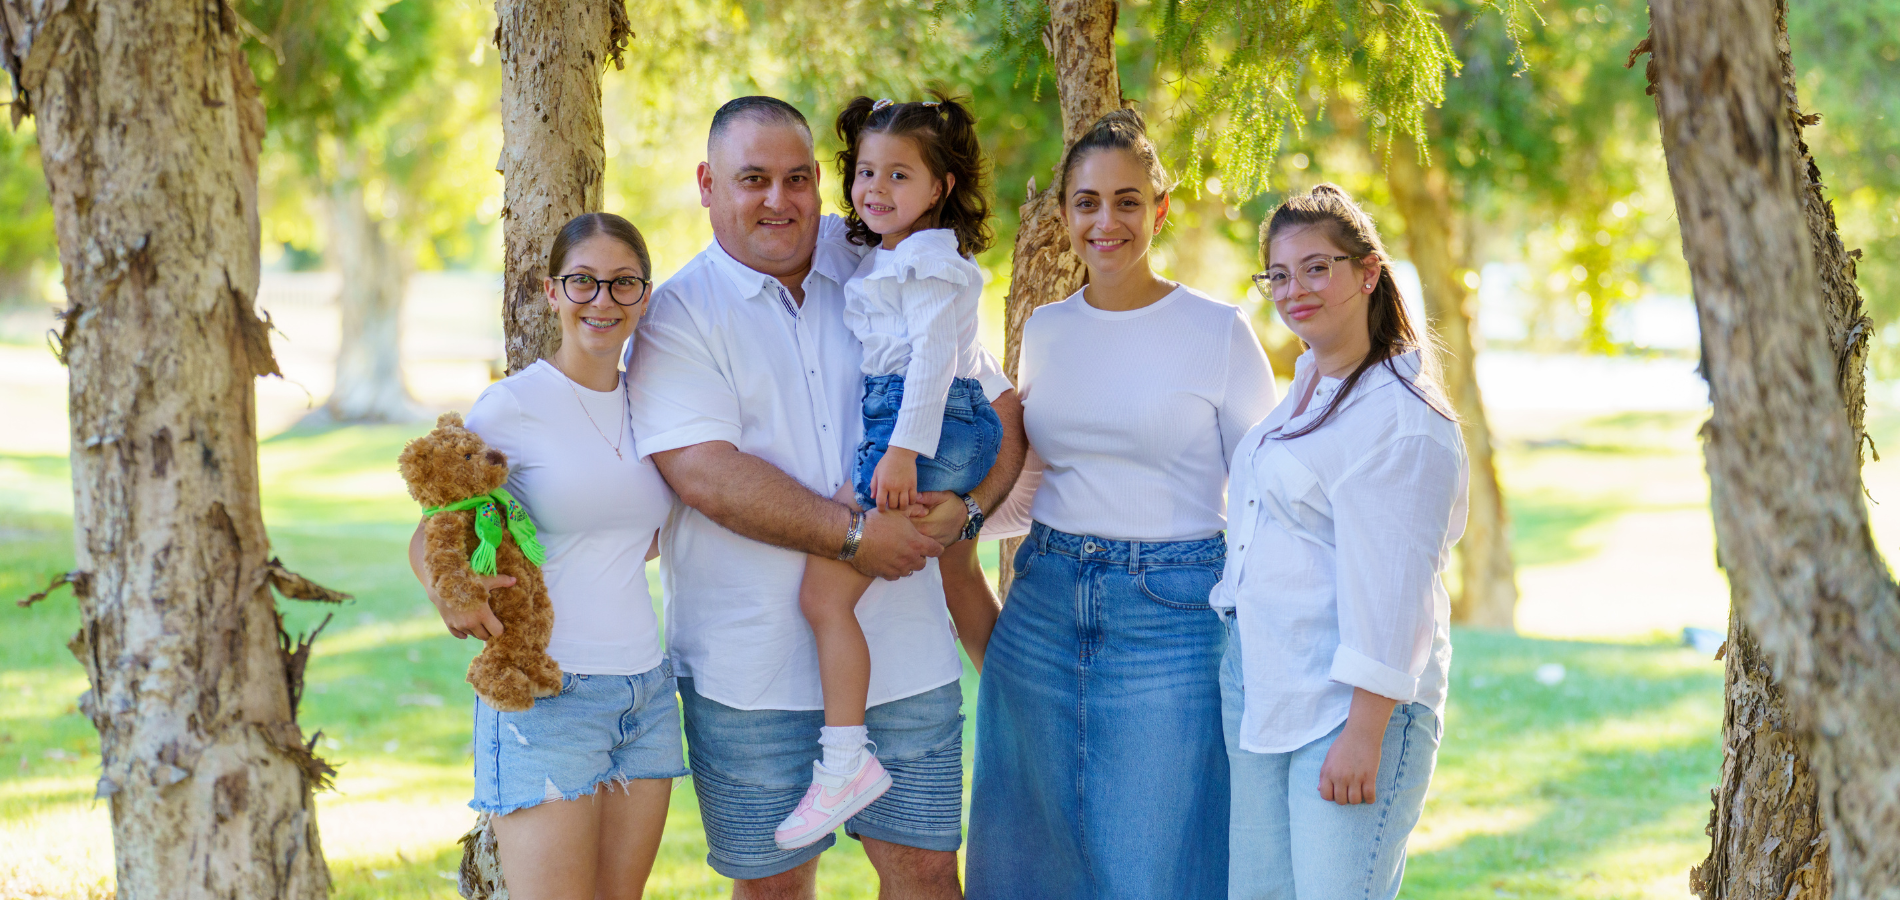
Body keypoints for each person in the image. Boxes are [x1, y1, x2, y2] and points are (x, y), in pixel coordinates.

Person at [626, 96, 1025, 900]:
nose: (780, 199)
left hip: (906, 651)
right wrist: (854, 540)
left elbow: (999, 410)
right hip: (749, 668)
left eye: (798, 178)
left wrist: (969, 513)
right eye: (753, 179)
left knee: (923, 876)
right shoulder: (677, 314)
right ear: (708, 184)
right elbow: (704, 471)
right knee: (774, 887)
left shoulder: (887, 259)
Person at [966, 109, 1278, 900]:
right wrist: (955, 529)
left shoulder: (1217, 332)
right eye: (1088, 202)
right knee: (1025, 852)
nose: (1107, 222)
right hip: (1042, 599)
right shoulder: (1045, 328)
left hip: (1174, 614)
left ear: (1160, 209)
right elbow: (1043, 476)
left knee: (1158, 860)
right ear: (1065, 213)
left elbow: (1266, 498)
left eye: (1128, 201)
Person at [406, 213, 684, 900]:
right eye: (582, 281)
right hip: (546, 697)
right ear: (551, 291)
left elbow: (634, 533)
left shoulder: (657, 406)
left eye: (623, 284)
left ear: (644, 295)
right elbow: (433, 528)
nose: (603, 300)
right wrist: (451, 593)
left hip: (644, 689)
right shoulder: (512, 407)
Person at [1214, 184, 1466, 900]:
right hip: (1268, 688)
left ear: (1368, 273)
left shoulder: (1402, 419)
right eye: (1280, 275)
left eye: (1317, 267)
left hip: (1352, 708)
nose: (1295, 290)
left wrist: (1364, 733)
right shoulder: (1307, 385)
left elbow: (1397, 590)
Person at [774, 92, 1004, 853]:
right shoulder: (888, 252)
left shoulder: (933, 262)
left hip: (923, 424)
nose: (876, 189)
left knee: (823, 593)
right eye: (866, 171)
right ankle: (845, 761)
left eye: (899, 175)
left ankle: (846, 764)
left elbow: (935, 365)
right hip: (907, 422)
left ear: (939, 188)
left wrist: (903, 452)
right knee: (824, 592)